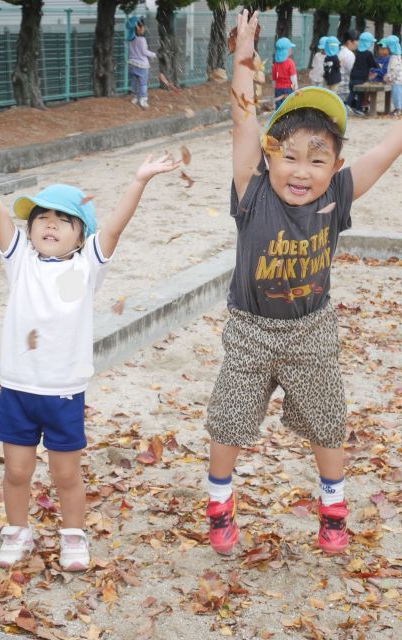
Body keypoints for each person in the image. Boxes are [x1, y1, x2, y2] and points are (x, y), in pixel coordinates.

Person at [0, 138, 178, 571]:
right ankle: (17, 531)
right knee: (18, 471)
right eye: (42, 216)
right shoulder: (20, 261)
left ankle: (73, 536)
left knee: (66, 475)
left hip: (63, 392)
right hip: (19, 389)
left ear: (82, 235)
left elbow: (114, 228)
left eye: (65, 219)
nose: (50, 224)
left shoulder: (87, 267)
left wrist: (138, 181)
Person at [204, 9, 402, 557]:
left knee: (327, 419)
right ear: (269, 158)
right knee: (230, 415)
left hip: (312, 331)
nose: (301, 170)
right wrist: (244, 47)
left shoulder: (339, 195)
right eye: (288, 156)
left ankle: (333, 509)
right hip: (250, 330)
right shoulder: (252, 193)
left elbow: (387, 150)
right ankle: (219, 502)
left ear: (335, 165)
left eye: (317, 160)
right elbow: (244, 120)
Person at [126, 15, 156, 110]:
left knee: (133, 82)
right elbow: (144, 52)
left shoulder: (131, 39)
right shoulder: (142, 40)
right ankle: (143, 100)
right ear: (140, 28)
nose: (144, 29)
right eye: (143, 27)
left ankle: (134, 98)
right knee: (143, 84)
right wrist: (154, 54)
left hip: (131, 64)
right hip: (142, 65)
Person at [346, 32, 377, 114]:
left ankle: (351, 106)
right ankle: (356, 108)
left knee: (353, 91)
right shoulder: (368, 53)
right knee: (360, 93)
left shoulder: (357, 52)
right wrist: (379, 66)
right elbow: (372, 64)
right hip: (362, 77)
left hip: (353, 75)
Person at [272, 37, 298, 106]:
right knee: (289, 107)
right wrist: (295, 89)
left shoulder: (275, 65)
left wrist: (276, 88)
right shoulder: (290, 63)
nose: (291, 50)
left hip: (278, 89)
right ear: (287, 51)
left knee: (279, 108)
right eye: (290, 49)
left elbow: (274, 80)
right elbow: (293, 78)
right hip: (288, 89)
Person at [337, 30, 358, 103]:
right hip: (345, 91)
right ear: (349, 42)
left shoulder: (340, 52)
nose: (357, 43)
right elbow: (353, 73)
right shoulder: (349, 54)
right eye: (356, 41)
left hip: (338, 88)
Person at [383, 35, 402, 116]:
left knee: (396, 95)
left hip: (396, 81)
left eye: (387, 47)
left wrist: (387, 77)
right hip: (398, 80)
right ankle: (398, 108)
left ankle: (398, 109)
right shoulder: (398, 56)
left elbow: (393, 71)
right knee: (398, 95)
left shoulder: (394, 58)